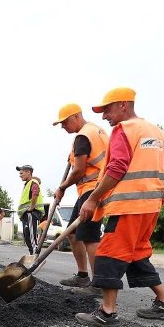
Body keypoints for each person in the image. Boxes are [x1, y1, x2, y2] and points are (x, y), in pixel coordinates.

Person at [75, 87, 164, 327]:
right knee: (136, 254)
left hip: (129, 205)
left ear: (123, 105)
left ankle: (107, 313)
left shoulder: (124, 130)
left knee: (108, 253)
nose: (104, 116)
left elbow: (117, 168)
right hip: (151, 205)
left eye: (107, 110)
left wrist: (93, 198)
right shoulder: (155, 132)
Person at [52, 103, 110, 295]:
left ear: (76, 116)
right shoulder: (96, 131)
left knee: (89, 236)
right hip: (91, 189)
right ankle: (82, 275)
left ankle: (99, 284)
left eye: (65, 122)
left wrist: (61, 187)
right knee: (74, 233)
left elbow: (79, 170)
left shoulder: (83, 136)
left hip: (93, 190)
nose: (63, 127)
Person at [16, 164, 44, 255]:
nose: (20, 175)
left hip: (31, 213)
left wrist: (31, 207)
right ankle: (32, 253)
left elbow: (35, 193)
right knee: (27, 235)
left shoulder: (33, 182)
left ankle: (34, 255)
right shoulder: (28, 183)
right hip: (26, 214)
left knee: (31, 235)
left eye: (21, 173)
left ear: (28, 172)